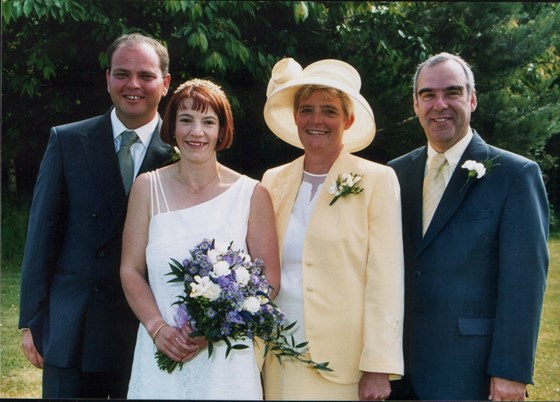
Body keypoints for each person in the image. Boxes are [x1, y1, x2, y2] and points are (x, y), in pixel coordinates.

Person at [18, 33, 172, 398]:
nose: (133, 85)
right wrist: (31, 322)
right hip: (74, 328)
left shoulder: (184, 149)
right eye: (122, 73)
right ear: (107, 79)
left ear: (165, 83)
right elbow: (41, 236)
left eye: (146, 75)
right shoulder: (68, 141)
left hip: (148, 330)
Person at [387, 52, 549, 401]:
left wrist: (510, 370)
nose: (439, 104)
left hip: (470, 371)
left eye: (452, 92)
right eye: (428, 94)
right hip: (398, 370)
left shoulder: (514, 175)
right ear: (415, 104)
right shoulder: (393, 175)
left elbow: (524, 282)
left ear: (472, 99)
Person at [120, 78, 280, 399]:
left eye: (208, 122)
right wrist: (157, 328)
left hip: (225, 361)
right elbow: (130, 270)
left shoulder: (251, 194)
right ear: (172, 127)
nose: (197, 132)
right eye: (186, 120)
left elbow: (269, 280)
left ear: (222, 131)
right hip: (161, 352)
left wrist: (215, 328)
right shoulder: (146, 188)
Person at [260, 58, 404, 400]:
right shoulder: (272, 180)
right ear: (295, 117)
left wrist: (377, 365)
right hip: (279, 350)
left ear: (348, 119)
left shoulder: (377, 180)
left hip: (344, 360)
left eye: (329, 110)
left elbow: (386, 280)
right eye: (306, 109)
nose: (316, 120)